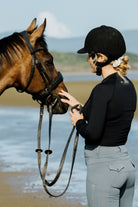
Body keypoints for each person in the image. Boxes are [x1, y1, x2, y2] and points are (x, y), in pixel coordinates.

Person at [59, 25, 137, 207]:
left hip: (104, 171)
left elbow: (92, 133)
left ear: (100, 58)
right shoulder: (127, 85)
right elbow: (108, 114)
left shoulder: (102, 90)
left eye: (90, 55)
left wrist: (78, 122)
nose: (87, 59)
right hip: (126, 167)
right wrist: (77, 104)